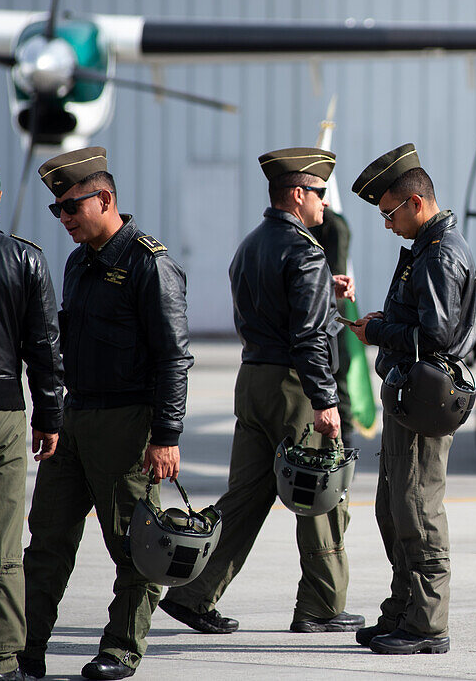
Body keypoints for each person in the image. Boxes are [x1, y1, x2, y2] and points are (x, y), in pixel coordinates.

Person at [160, 147, 364, 637]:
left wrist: (323, 294)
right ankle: (321, 604)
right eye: (319, 194)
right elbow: (309, 338)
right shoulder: (307, 252)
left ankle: (192, 594)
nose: (324, 205)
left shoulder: (250, 245)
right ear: (298, 195)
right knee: (321, 496)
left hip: (252, 380)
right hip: (295, 388)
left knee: (245, 497)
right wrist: (326, 400)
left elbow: (275, 312)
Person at [20, 147, 194, 681]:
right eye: (57, 212)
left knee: (135, 546)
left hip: (128, 423)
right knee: (47, 539)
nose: (65, 219)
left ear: (106, 198)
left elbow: (174, 356)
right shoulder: (78, 263)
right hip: (76, 419)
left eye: (71, 208)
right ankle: (21, 649)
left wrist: (165, 434)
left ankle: (121, 648)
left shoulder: (148, 263)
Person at [348, 143, 476, 655]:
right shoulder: (429, 249)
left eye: (388, 214)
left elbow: (438, 337)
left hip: (426, 397)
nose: (386, 225)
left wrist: (380, 329)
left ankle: (427, 624)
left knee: (417, 509)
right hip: (411, 394)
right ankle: (402, 609)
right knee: (394, 506)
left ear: (415, 202)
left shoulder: (441, 255)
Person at [0, 153, 62, 681]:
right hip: (1, 410)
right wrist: (49, 417)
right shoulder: (23, 258)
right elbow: (45, 349)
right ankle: (0, 658)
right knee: (1, 541)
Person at [309, 207, 354, 447]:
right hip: (323, 306)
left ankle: (343, 439)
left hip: (333, 308)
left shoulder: (333, 225)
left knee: (337, 374)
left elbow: (337, 269)